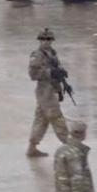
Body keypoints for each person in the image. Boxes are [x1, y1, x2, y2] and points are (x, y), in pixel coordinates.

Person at [27, 28, 70, 157]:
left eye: (49, 39)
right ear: (40, 40)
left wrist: (64, 85)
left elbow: (58, 70)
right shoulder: (37, 55)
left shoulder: (52, 53)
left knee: (41, 120)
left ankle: (32, 147)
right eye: (44, 39)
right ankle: (68, 145)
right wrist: (49, 73)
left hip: (52, 90)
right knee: (57, 118)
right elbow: (32, 74)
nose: (46, 42)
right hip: (45, 92)